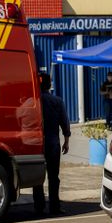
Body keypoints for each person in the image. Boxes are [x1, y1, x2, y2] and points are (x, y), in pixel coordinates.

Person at [33, 73, 71, 215]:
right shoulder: (57, 101)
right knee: (53, 176)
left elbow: (21, 116)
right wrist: (66, 141)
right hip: (53, 143)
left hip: (37, 144)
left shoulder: (33, 101)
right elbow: (65, 123)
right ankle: (54, 206)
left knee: (38, 177)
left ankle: (39, 206)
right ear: (50, 85)